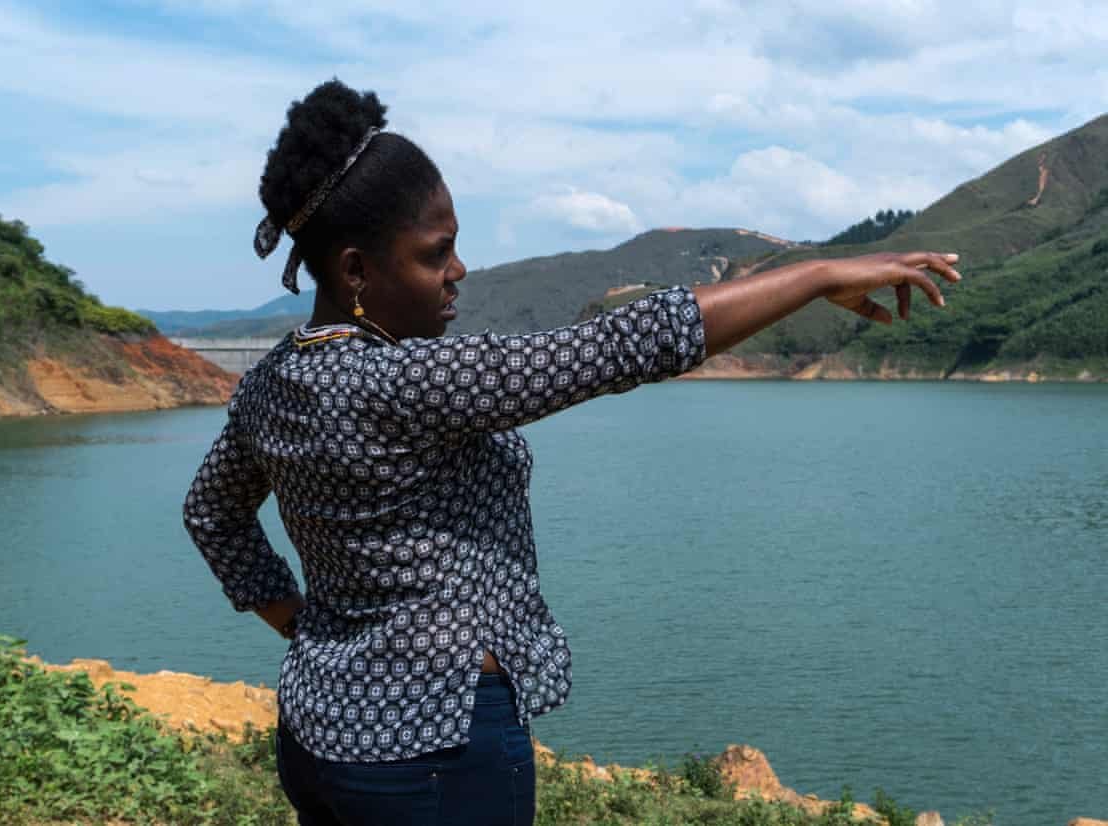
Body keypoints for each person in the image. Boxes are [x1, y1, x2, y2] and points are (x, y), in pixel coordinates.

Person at [181, 79, 960, 826]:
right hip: (435, 751)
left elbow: (211, 514)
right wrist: (818, 274)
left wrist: (309, 626)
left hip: (321, 734)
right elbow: (627, 345)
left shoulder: (273, 383)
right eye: (435, 253)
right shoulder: (410, 381)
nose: (457, 273)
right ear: (356, 269)